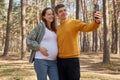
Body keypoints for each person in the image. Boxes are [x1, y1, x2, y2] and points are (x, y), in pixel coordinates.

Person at [54, 4, 101, 80]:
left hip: (72, 60)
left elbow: (88, 27)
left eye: (64, 10)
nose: (63, 12)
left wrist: (96, 22)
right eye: (60, 11)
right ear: (57, 15)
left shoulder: (74, 23)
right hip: (60, 61)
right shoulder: (57, 29)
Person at [26, 7, 59, 80]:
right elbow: (29, 40)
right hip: (41, 60)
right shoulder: (40, 26)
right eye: (49, 14)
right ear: (44, 16)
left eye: (52, 14)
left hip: (53, 62)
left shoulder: (55, 29)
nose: (51, 16)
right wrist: (39, 48)